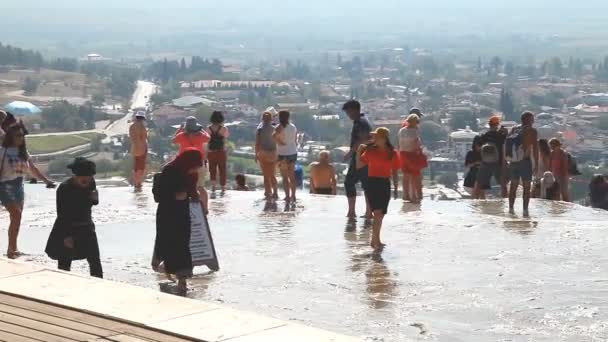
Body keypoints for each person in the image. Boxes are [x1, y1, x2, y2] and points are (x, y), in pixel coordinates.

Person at [152, 148, 202, 294]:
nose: (196, 168)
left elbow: (192, 193)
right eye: (194, 165)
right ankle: (167, 269)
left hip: (182, 213)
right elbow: (163, 194)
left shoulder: (190, 172)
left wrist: (195, 196)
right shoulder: (170, 170)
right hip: (167, 213)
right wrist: (176, 195)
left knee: (182, 245)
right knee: (169, 243)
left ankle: (182, 279)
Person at [0, 124, 54, 258]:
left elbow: (33, 169)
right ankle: (12, 249)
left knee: (16, 218)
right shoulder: (2, 151)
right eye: (18, 135)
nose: (21, 138)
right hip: (5, 186)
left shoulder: (23, 152)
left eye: (22, 135)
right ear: (10, 136)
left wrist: (46, 181)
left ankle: (12, 249)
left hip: (19, 185)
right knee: (16, 215)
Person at [45, 158, 102, 278]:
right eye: (83, 177)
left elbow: (92, 202)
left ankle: (99, 286)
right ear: (75, 176)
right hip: (67, 227)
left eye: (89, 177)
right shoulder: (64, 188)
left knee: (95, 260)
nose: (86, 180)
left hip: (87, 226)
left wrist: (95, 200)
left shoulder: (91, 182)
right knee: (65, 263)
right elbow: (61, 214)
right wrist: (67, 236)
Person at [356, 127, 400, 251]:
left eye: (376, 136)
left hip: (385, 183)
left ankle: (375, 239)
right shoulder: (370, 151)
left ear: (383, 138)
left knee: (380, 215)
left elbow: (395, 171)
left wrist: (396, 188)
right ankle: (375, 241)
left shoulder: (393, 153)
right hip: (372, 183)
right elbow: (359, 165)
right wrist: (359, 152)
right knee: (377, 213)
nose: (373, 138)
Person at [173, 116, 210, 213]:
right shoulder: (201, 136)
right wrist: (201, 130)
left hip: (184, 165)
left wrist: (180, 129)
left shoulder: (181, 136)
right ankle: (205, 209)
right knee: (200, 187)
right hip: (199, 164)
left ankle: (184, 209)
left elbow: (173, 140)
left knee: (183, 187)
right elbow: (208, 137)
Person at [343, 100, 373, 219]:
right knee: (366, 185)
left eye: (348, 112)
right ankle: (367, 212)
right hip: (363, 156)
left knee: (349, 182)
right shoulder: (362, 121)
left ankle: (352, 212)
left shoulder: (360, 122)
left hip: (361, 157)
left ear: (354, 110)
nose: (348, 115)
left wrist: (350, 153)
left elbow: (362, 140)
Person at [507, 111, 539, 216]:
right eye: (532, 119)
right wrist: (536, 165)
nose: (534, 121)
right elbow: (535, 149)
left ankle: (511, 209)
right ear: (529, 120)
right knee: (526, 187)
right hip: (525, 162)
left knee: (513, 186)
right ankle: (525, 211)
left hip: (513, 161)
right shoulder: (532, 131)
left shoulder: (514, 129)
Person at [475, 116, 508, 199]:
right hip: (498, 162)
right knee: (503, 184)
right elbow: (505, 146)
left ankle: (476, 202)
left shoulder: (484, 135)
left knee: (480, 183)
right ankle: (505, 202)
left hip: (485, 162)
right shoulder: (500, 135)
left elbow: (478, 148)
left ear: (489, 125)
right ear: (497, 124)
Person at [398, 114, 427, 203]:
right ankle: (415, 195)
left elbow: (399, 143)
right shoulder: (415, 131)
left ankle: (405, 195)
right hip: (412, 155)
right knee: (415, 175)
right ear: (416, 122)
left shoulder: (401, 130)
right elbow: (416, 144)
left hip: (402, 154)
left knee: (406, 175)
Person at [274, 110, 298, 201]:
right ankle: (294, 196)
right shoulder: (293, 127)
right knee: (292, 176)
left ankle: (287, 196)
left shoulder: (279, 127)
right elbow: (295, 139)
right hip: (292, 152)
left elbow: (273, 137)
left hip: (282, 154)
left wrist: (280, 142)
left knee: (284, 177)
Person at [255, 111, 278, 199]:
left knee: (265, 174)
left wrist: (256, 154)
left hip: (263, 153)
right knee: (272, 174)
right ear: (271, 119)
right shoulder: (275, 128)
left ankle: (268, 192)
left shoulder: (259, 129)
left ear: (262, 119)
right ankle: (275, 192)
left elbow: (257, 143)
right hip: (273, 153)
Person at [206, 111, 230, 194]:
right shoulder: (224, 128)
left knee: (212, 169)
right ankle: (223, 187)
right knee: (222, 169)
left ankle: (213, 187)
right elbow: (226, 137)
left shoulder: (208, 128)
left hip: (211, 152)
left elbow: (207, 140)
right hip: (221, 151)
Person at [129, 111, 148, 189]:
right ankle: (138, 183)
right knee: (141, 167)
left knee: (136, 167)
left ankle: (136, 183)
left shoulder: (132, 126)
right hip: (142, 149)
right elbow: (144, 138)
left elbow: (132, 138)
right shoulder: (142, 127)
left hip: (134, 149)